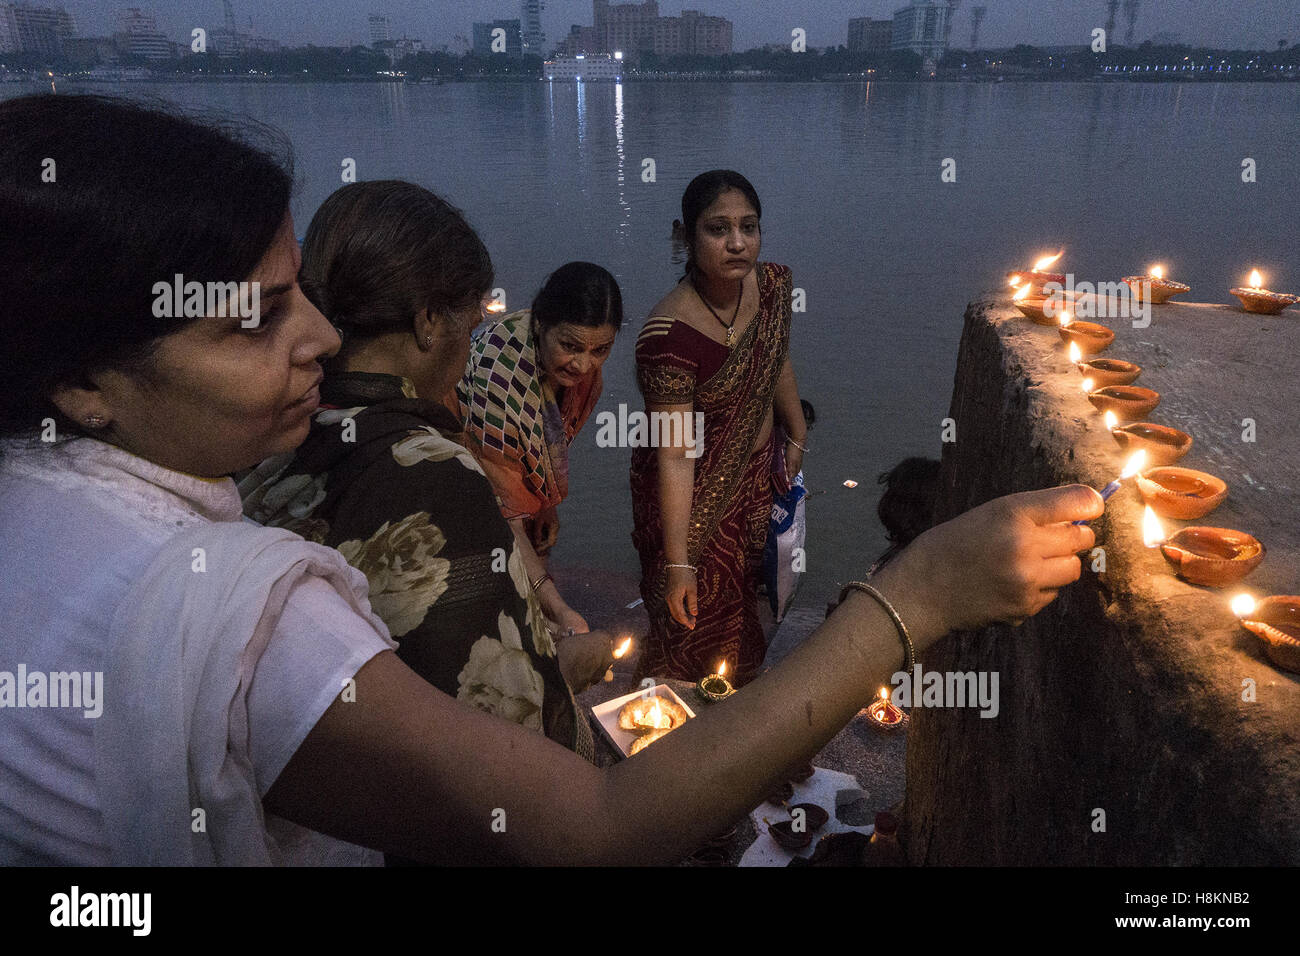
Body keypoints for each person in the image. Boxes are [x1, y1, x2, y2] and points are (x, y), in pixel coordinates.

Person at [0, 93, 1103, 866]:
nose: (325, 336)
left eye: (298, 292)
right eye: (254, 320)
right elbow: (591, 827)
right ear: (83, 379)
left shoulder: (46, 505)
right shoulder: (253, 615)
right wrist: (916, 597)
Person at [239, 181, 613, 782]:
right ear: (429, 321)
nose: (470, 352)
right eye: (468, 326)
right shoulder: (433, 477)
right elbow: (497, 738)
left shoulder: (267, 434)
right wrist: (563, 665)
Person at [630, 170, 808, 687]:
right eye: (717, 229)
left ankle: (736, 711)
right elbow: (676, 455)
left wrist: (795, 432)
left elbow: (775, 358)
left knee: (743, 609)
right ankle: (672, 730)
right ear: (683, 236)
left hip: (755, 481)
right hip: (689, 497)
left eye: (749, 227)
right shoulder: (669, 336)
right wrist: (679, 561)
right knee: (688, 620)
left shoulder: (772, 285)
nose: (737, 243)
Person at [452, 262, 620, 633]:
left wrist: (545, 505)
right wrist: (557, 607)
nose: (584, 364)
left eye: (601, 350)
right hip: (463, 501)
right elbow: (501, 514)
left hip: (508, 495)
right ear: (542, 323)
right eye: (570, 346)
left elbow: (547, 444)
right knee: (498, 620)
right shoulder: (497, 380)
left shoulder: (576, 366)